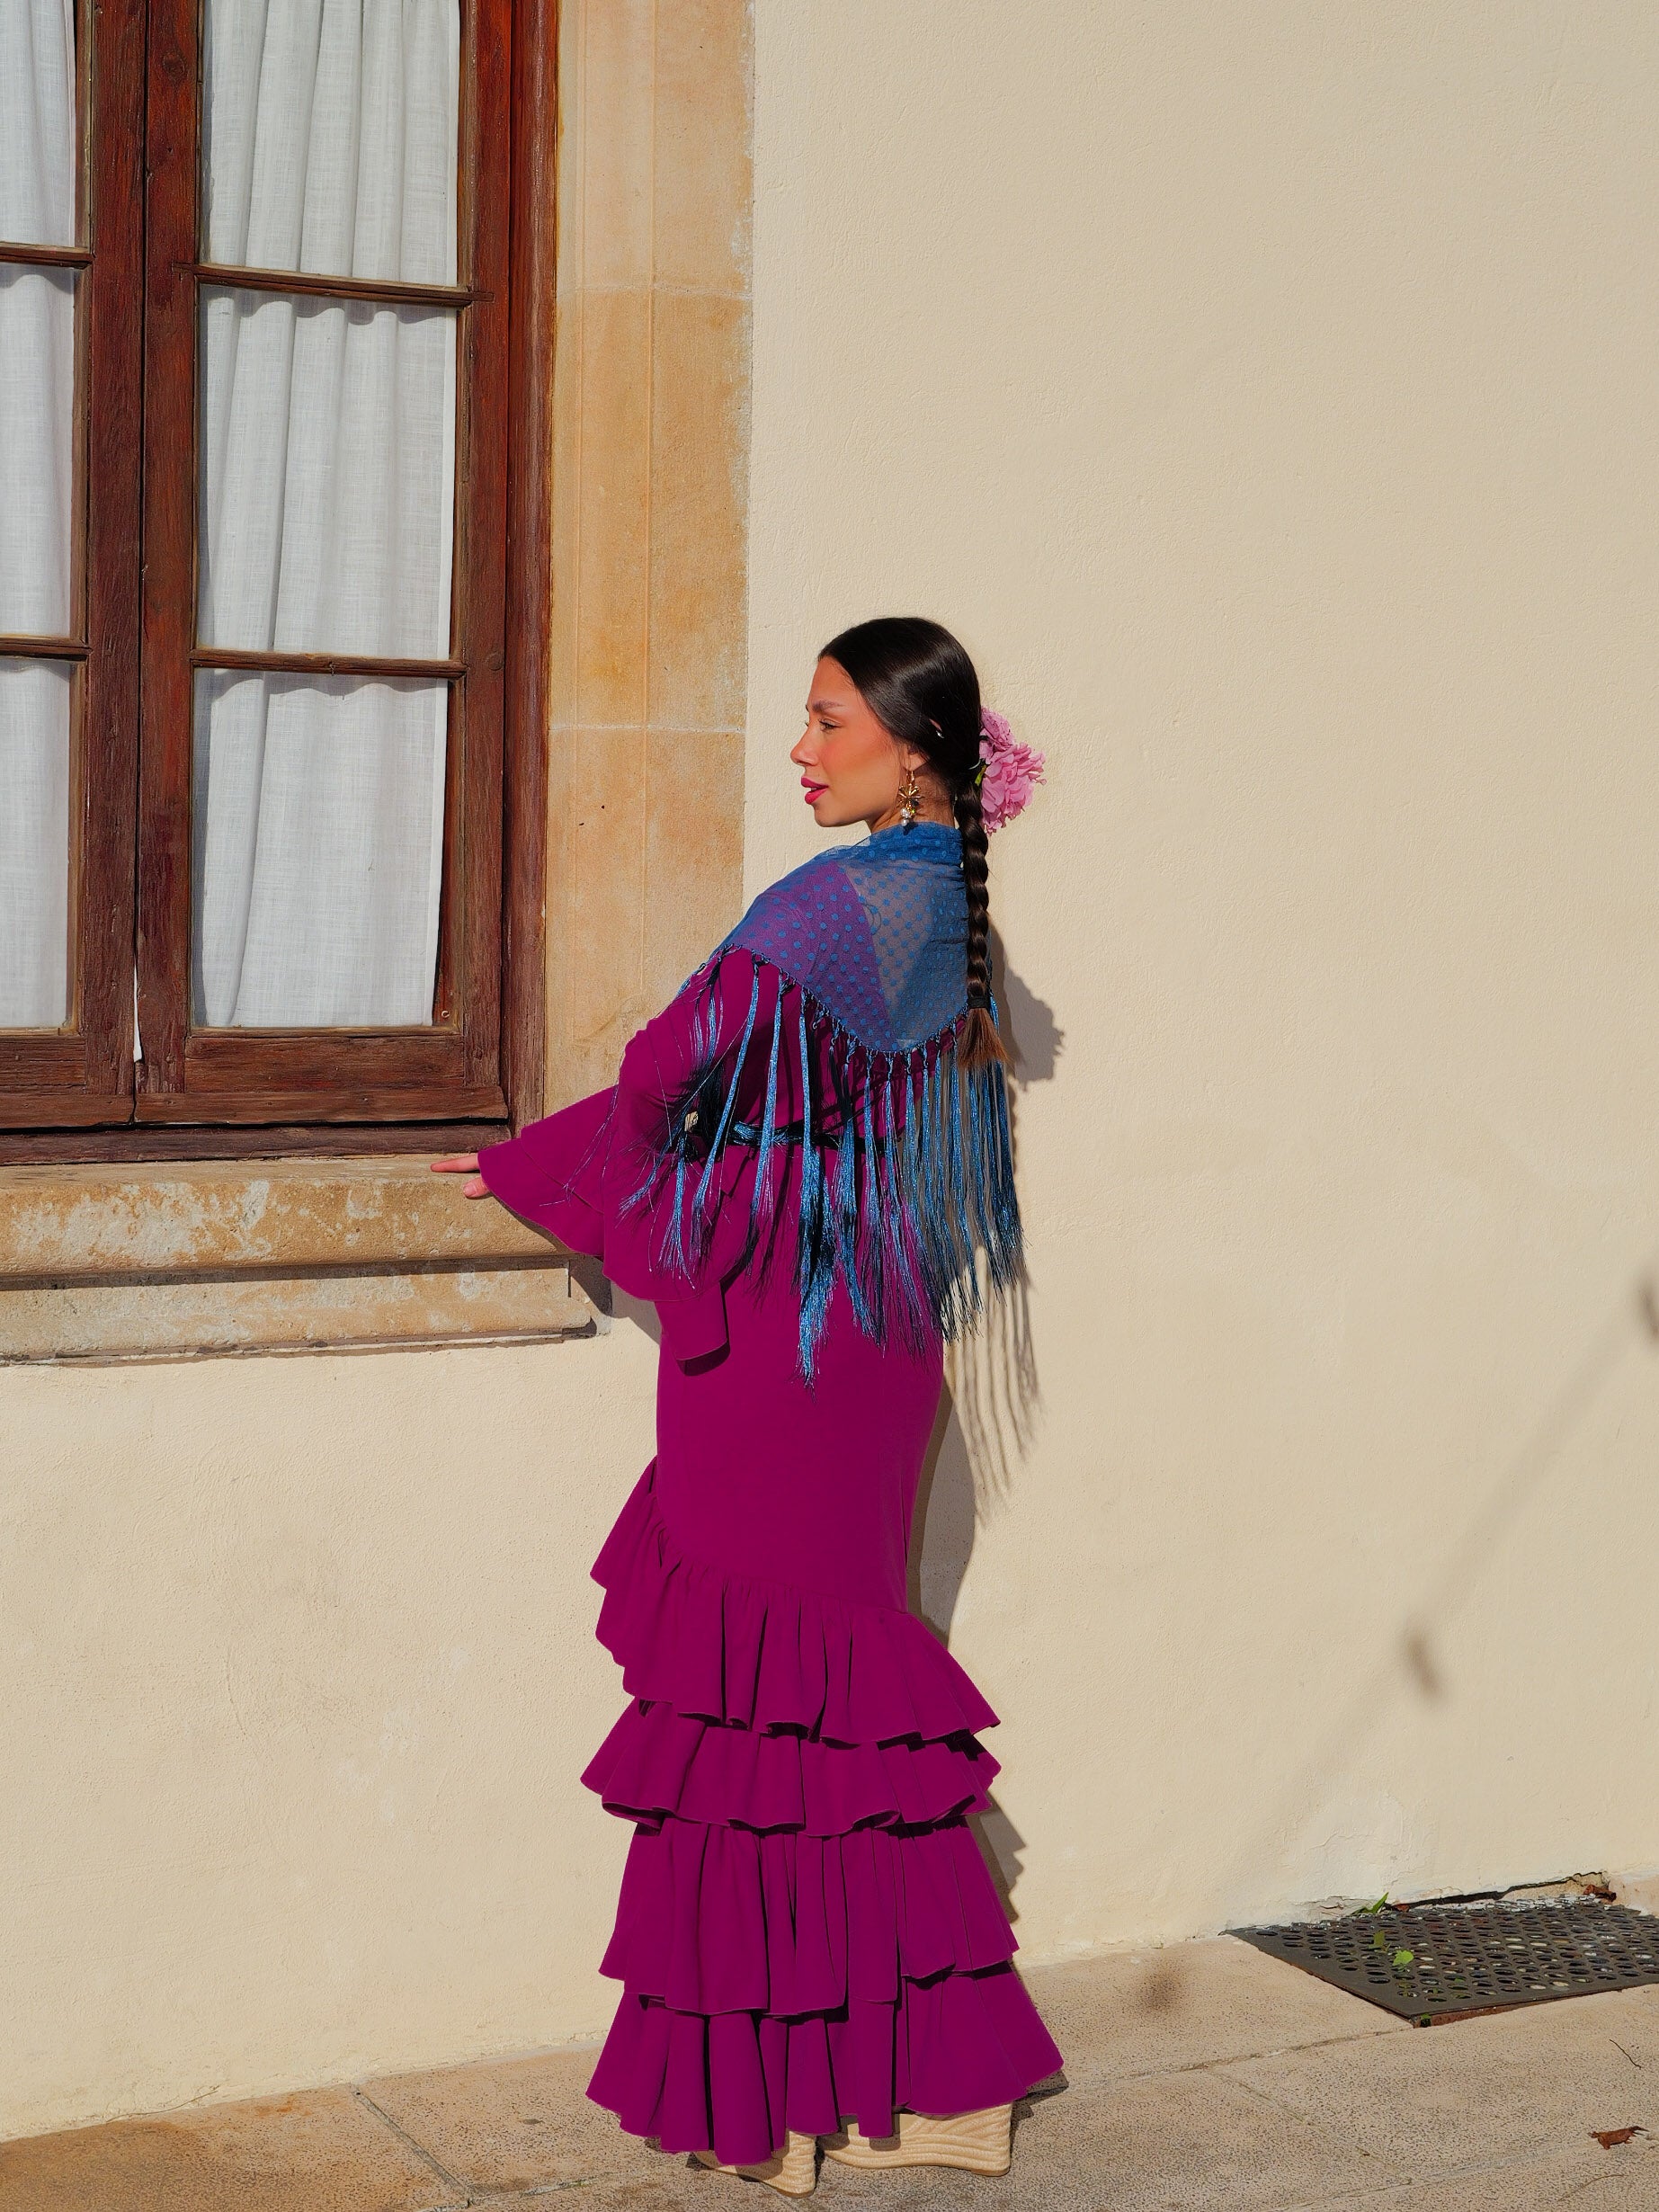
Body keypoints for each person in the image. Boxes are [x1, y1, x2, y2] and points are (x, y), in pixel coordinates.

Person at [433, 616, 1061, 2196]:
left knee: (744, 1715)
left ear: (909, 743)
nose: (798, 750)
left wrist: (533, 1158)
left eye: (825, 719)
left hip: (782, 1336)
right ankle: (936, 2088)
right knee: (849, 1714)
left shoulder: (839, 901)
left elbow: (666, 1067)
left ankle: (774, 2103)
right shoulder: (954, 906)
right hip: (881, 1323)